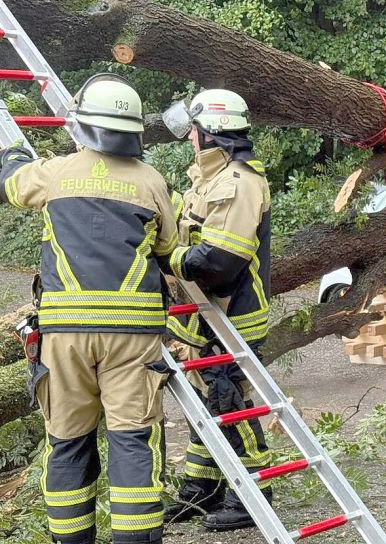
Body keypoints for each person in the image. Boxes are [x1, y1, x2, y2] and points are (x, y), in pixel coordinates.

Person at [0, 74, 176, 544]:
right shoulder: (152, 181)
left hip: (65, 336)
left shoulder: (54, 172)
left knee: (69, 443)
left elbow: (12, 187)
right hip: (133, 338)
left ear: (82, 123)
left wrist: (13, 153)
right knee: (133, 442)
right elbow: (168, 248)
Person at [160, 89, 274, 530]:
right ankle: (202, 487)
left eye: (194, 128)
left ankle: (253, 493)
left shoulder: (239, 182)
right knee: (204, 401)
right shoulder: (210, 176)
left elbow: (220, 262)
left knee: (226, 398)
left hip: (231, 312)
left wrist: (166, 258)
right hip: (205, 313)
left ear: (211, 132)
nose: (189, 135)